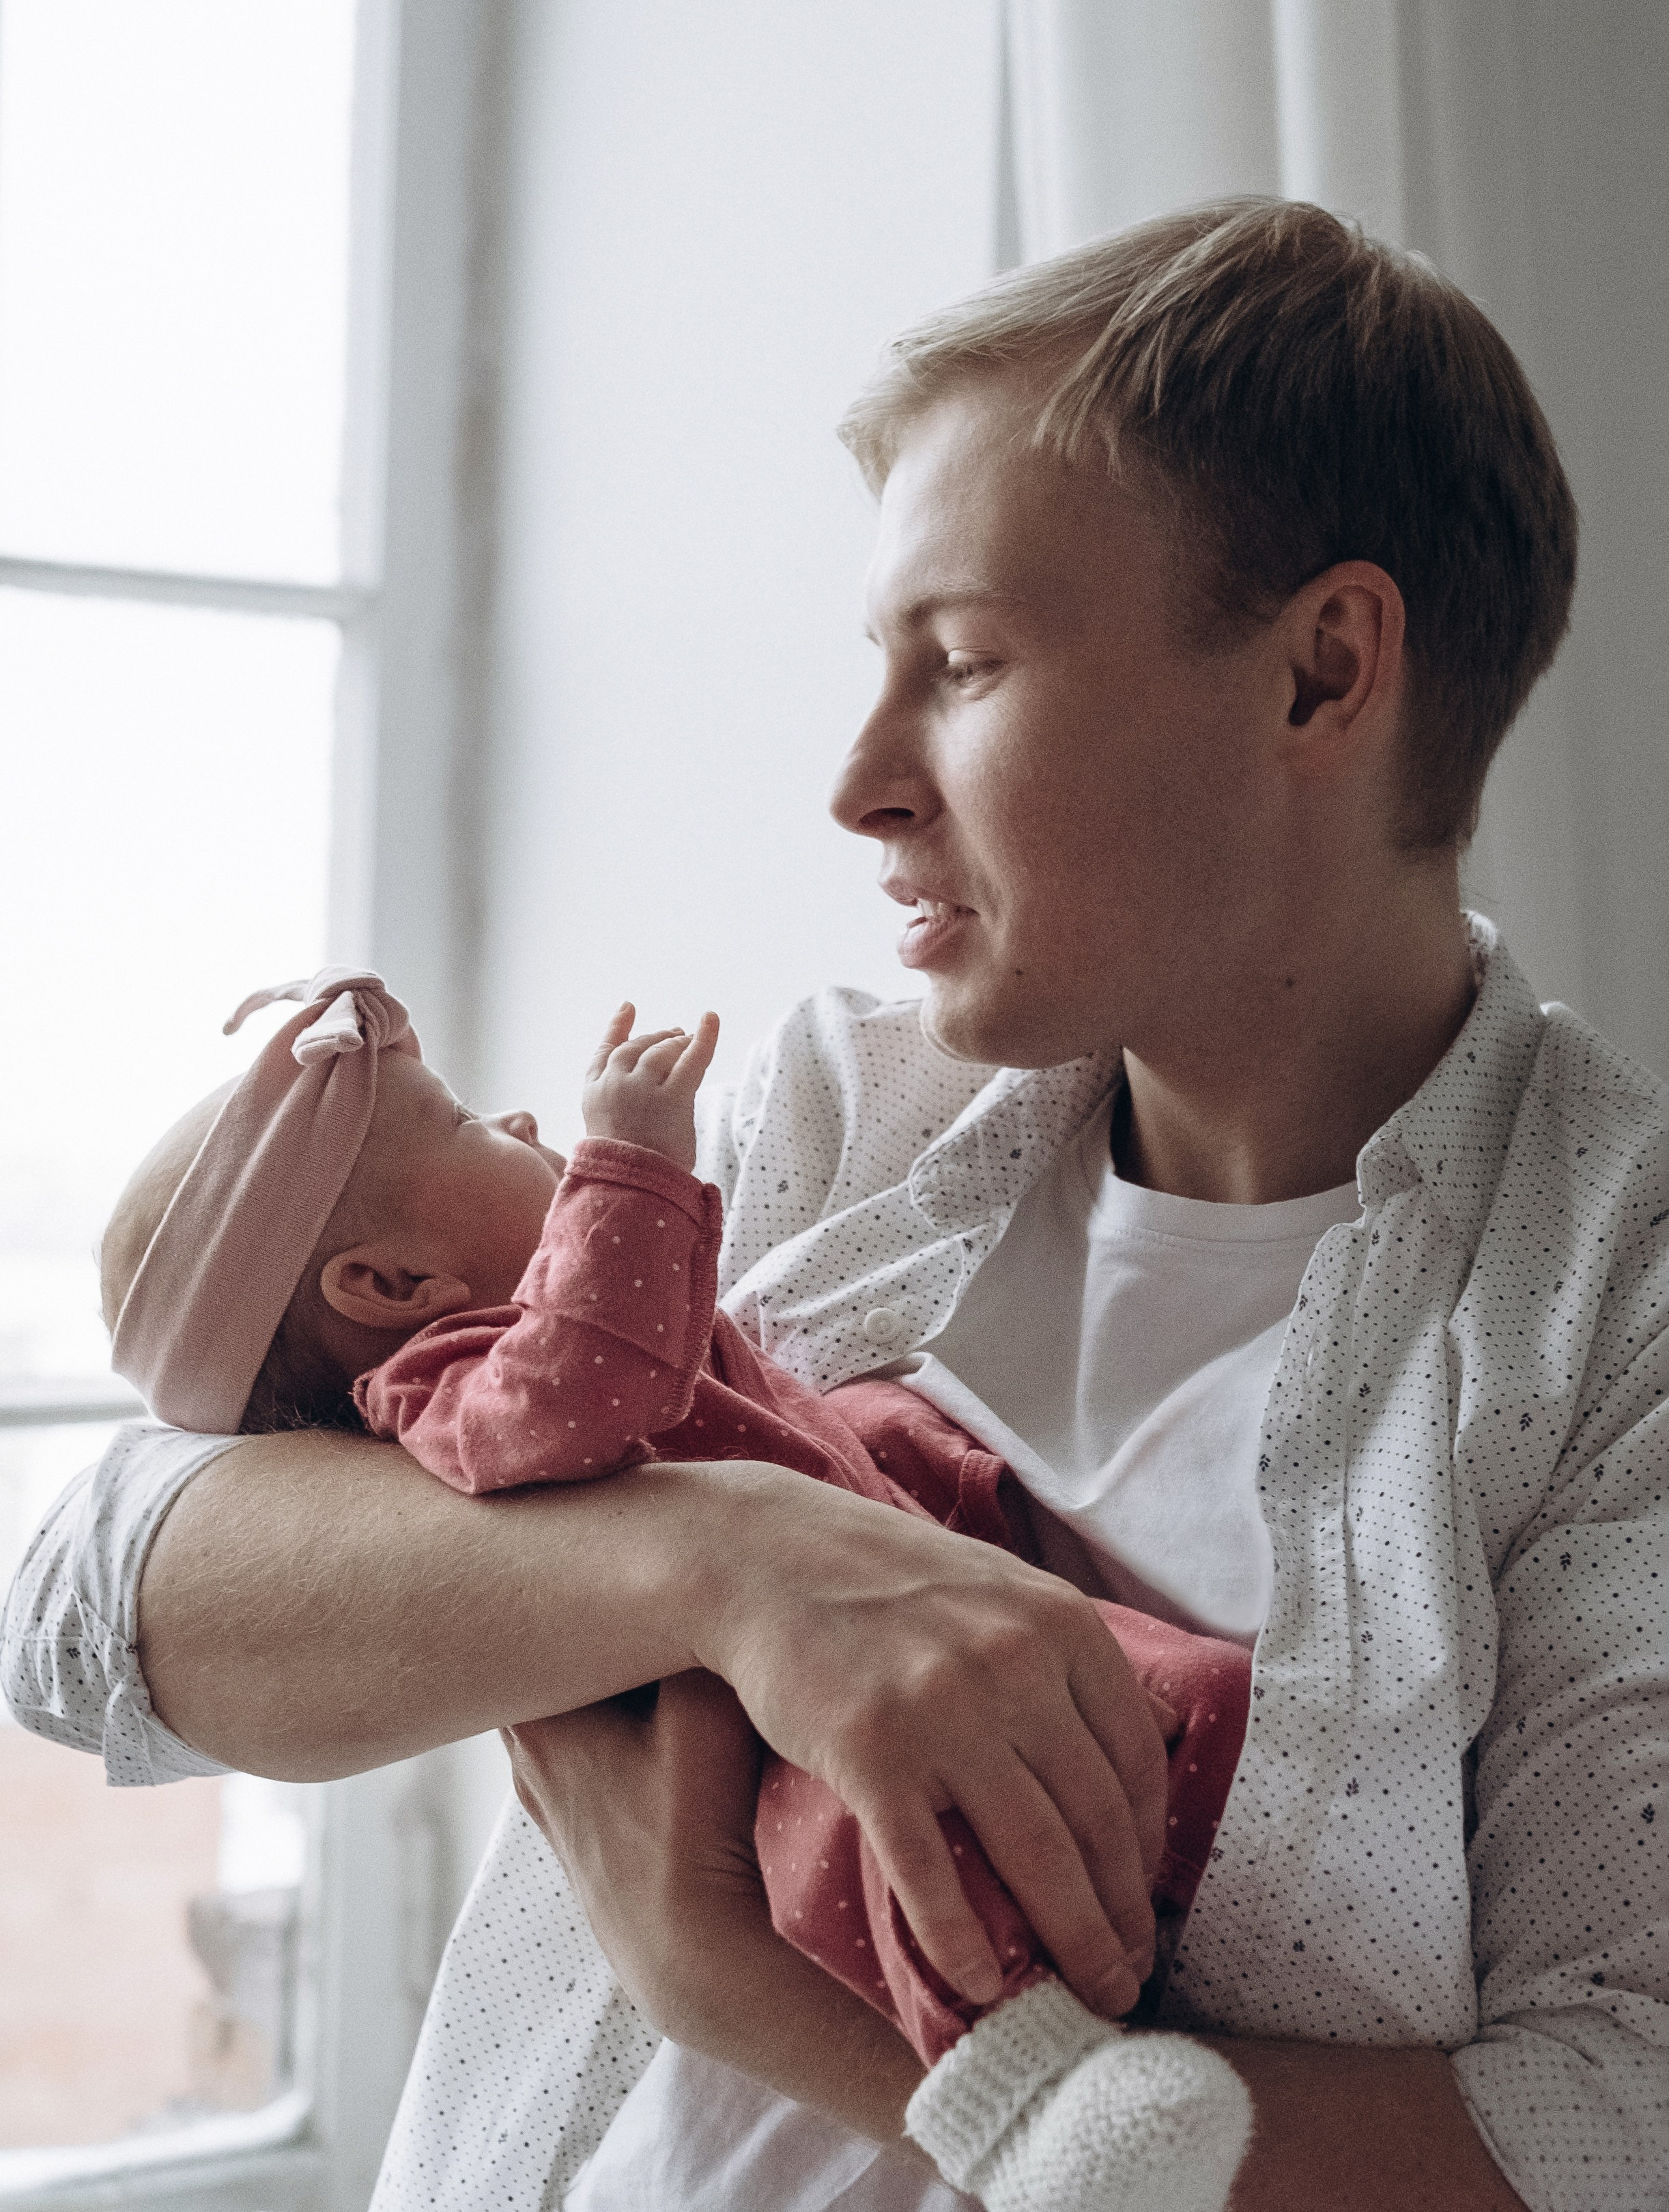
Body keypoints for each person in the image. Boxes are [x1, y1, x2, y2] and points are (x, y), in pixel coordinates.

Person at [5, 197, 1666, 2212]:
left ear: (1321, 673)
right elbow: (81, 1617)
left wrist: (731, 1983)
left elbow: (1613, 2125)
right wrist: (742, 1566)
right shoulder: (826, 1118)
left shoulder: (1612, 1315)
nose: (858, 781)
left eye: (957, 665)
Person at [102, 976, 1256, 2212]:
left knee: (1181, 1696)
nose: (524, 1125)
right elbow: (590, 1386)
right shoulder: (447, 1384)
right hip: (765, 1740)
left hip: (887, 1636)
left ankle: (1189, 1858)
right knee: (899, 1860)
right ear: (391, 1287)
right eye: (466, 1124)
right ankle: (1027, 2093)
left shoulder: (515, 1343)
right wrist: (631, 1162)